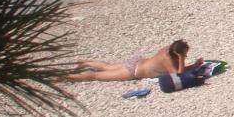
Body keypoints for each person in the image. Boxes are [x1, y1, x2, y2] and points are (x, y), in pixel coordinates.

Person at [70, 39, 203, 82]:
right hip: (133, 71)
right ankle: (66, 77)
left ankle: (84, 62)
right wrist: (182, 60)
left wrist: (194, 65)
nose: (185, 57)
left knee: (107, 66)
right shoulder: (168, 60)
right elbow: (179, 76)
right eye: (184, 55)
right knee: (96, 75)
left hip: (137, 62)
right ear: (177, 54)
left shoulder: (167, 49)